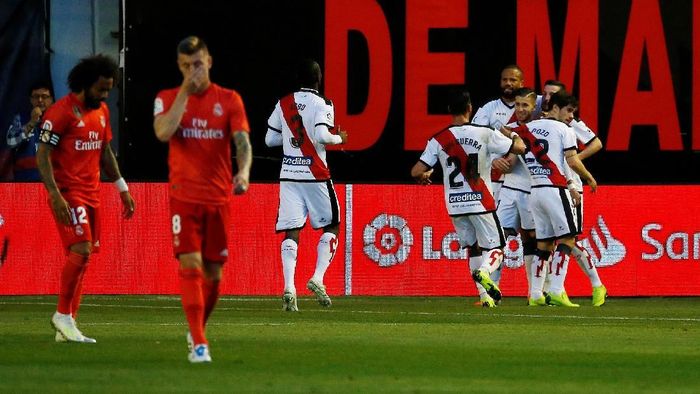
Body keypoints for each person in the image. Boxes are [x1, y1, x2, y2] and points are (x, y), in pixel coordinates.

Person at [153, 36, 252, 363]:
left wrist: (245, 172)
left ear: (209, 61)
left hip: (218, 197)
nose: (192, 70)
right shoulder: (166, 98)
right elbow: (163, 133)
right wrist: (185, 89)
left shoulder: (229, 99)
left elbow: (242, 143)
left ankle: (196, 327)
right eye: (185, 65)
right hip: (184, 197)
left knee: (215, 276)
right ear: (179, 67)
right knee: (191, 264)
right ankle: (199, 344)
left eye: (197, 63)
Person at [36, 55, 135, 343]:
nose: (105, 95)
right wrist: (54, 194)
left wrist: (121, 187)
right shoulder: (60, 113)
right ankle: (62, 315)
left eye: (108, 89)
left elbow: (105, 151)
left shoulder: (101, 111)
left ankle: (67, 328)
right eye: (101, 89)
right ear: (85, 84)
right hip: (69, 193)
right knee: (81, 250)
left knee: (84, 256)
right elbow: (43, 154)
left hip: (93, 195)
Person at [411, 88, 525, 307]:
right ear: (470, 108)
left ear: (448, 110)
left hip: (455, 205)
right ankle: (484, 271)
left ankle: (485, 297)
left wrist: (425, 176)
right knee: (496, 248)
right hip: (481, 201)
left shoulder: (439, 138)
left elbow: (417, 171)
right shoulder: (484, 133)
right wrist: (512, 133)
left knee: (472, 247)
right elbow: (520, 148)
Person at [265, 59, 347, 312]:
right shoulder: (323, 103)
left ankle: (289, 287)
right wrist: (338, 138)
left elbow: (269, 139)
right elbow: (322, 136)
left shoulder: (283, 102)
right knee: (332, 225)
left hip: (289, 174)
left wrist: (292, 139)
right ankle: (318, 278)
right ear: (318, 78)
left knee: (292, 230)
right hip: (315, 174)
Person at [511, 91, 597, 307]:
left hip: (535, 192)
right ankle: (557, 290)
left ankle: (536, 294)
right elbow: (573, 161)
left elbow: (511, 140)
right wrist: (589, 178)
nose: (570, 117)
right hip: (555, 190)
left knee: (544, 244)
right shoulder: (564, 129)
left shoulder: (528, 128)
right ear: (555, 108)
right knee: (568, 239)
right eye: (568, 111)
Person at [538, 81, 607, 306]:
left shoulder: (570, 123)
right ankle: (551, 290)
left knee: (569, 239)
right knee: (552, 241)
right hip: (547, 187)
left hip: (571, 186)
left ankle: (591, 285)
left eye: (552, 94)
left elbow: (596, 143)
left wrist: (574, 162)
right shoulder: (538, 122)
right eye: (545, 93)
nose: (546, 97)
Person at [471, 65, 526, 288]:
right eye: (504, 80)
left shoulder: (533, 107)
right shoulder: (489, 109)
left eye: (513, 80)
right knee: (496, 235)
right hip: (494, 181)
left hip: (524, 181)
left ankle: (541, 291)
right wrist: (492, 160)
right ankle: (493, 285)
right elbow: (473, 140)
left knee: (535, 237)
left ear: (521, 83)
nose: (508, 84)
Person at [495, 88, 539, 304]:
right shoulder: (507, 130)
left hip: (532, 193)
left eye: (525, 105)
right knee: (497, 238)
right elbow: (496, 158)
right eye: (518, 105)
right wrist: (498, 162)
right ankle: (491, 292)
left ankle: (534, 292)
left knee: (533, 241)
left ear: (534, 107)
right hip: (510, 190)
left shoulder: (540, 129)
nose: (520, 109)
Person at [6, 82, 54, 181]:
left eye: (44, 96)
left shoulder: (58, 121)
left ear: (51, 99)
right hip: (25, 183)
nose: (40, 100)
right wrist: (32, 122)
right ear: (31, 100)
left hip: (52, 184)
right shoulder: (20, 118)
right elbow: (11, 142)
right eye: (36, 97)